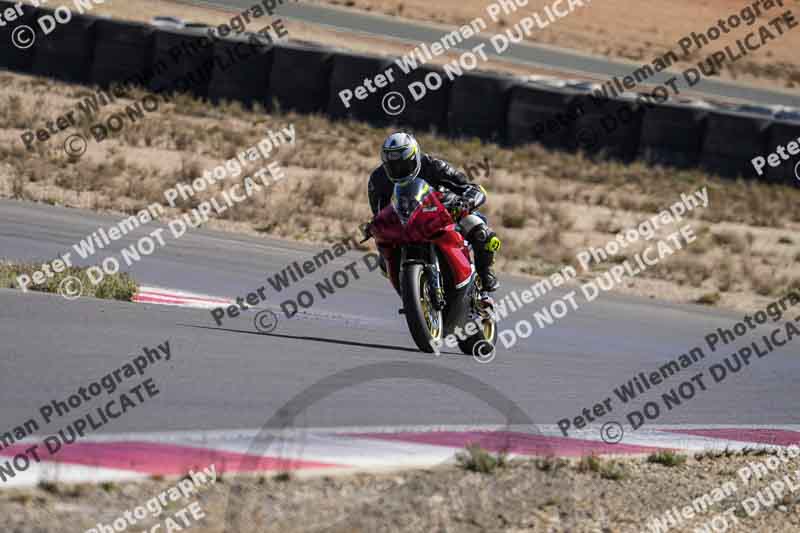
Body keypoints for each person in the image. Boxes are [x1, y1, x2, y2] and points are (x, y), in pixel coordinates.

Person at [367, 131, 500, 292]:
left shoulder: (433, 165)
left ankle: (485, 273)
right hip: (405, 222)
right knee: (383, 260)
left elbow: (468, 187)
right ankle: (411, 292)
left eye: (403, 164)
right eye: (392, 166)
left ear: (415, 158)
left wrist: (467, 201)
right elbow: (379, 212)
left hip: (442, 213)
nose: (398, 170)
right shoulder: (378, 179)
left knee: (481, 232)